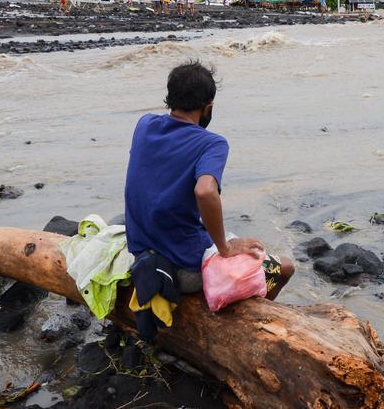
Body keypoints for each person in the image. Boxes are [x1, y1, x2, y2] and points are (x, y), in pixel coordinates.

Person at [124, 61, 294, 300]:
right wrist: (224, 247)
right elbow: (205, 191)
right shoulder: (212, 144)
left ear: (169, 99)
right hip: (184, 267)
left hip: (143, 253)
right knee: (283, 268)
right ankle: (251, 320)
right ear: (208, 107)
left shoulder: (144, 125)